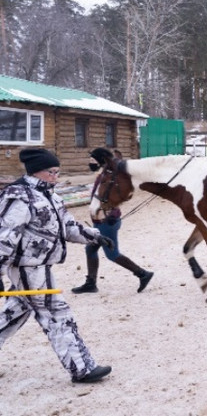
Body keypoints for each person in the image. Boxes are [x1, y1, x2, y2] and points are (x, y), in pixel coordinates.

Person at [0, 148, 112, 383]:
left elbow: (67, 226)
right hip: (27, 268)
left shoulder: (51, 195)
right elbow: (4, 236)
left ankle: (81, 367)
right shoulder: (19, 197)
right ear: (37, 172)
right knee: (56, 313)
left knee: (14, 313)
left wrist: (94, 236)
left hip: (40, 266)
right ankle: (81, 368)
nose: (56, 177)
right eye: (52, 172)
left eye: (58, 172)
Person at [72, 148, 153, 294]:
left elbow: (112, 197)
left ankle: (143, 274)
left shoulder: (108, 176)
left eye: (93, 160)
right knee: (90, 249)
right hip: (99, 221)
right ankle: (91, 283)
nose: (90, 162)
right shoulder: (103, 174)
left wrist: (110, 215)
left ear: (101, 161)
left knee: (112, 254)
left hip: (107, 222)